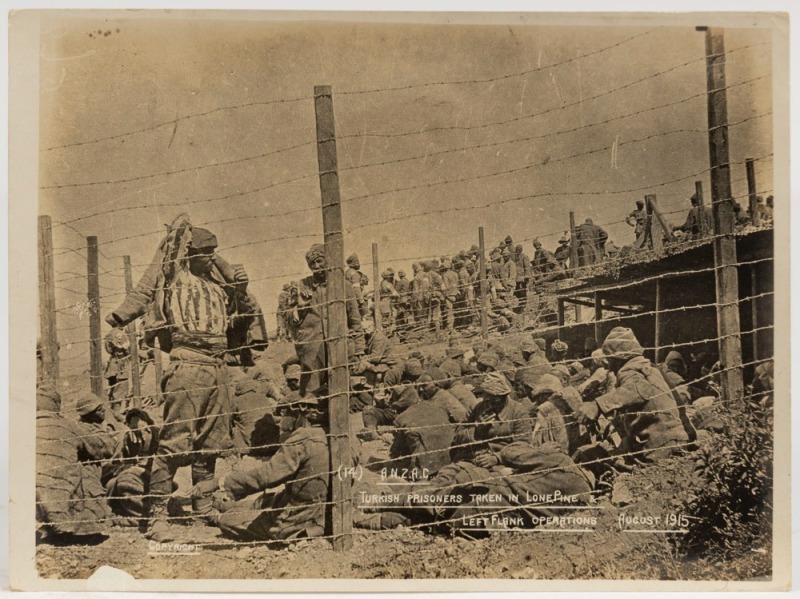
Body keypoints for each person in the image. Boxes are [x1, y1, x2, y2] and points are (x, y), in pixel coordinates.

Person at [104, 215, 268, 541]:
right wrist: (118, 319)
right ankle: (157, 518)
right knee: (175, 442)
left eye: (214, 252)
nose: (211, 257)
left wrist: (242, 290)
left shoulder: (218, 287)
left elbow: (242, 322)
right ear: (190, 254)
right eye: (205, 252)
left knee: (211, 443)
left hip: (219, 367)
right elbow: (148, 282)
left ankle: (202, 506)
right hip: (188, 365)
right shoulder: (176, 277)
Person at [196, 389, 344, 542]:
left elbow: (266, 476)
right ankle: (226, 505)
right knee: (266, 500)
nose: (281, 421)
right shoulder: (342, 436)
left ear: (304, 412)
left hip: (296, 520)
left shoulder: (304, 437)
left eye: (285, 414)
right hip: (326, 511)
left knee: (228, 520)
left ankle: (218, 514)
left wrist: (219, 483)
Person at [575, 327, 693, 462]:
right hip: (676, 439)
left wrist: (597, 405)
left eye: (609, 360)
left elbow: (638, 388)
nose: (608, 367)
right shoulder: (650, 368)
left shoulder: (629, 370)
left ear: (618, 358)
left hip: (659, 447)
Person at [286, 244, 365, 398]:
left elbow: (355, 319)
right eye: (312, 264)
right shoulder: (301, 286)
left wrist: (359, 349)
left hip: (340, 346)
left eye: (320, 261)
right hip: (312, 349)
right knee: (310, 393)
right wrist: (300, 307)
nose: (316, 266)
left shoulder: (344, 286)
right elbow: (288, 319)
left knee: (340, 392)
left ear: (328, 260)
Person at [36, 385, 113, 542]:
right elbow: (103, 448)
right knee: (84, 467)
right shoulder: (69, 426)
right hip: (62, 495)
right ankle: (80, 523)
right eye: (98, 409)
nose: (103, 411)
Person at [450, 372, 533, 465]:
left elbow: (523, 445)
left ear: (504, 397)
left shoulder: (518, 412)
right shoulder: (476, 407)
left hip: (501, 463)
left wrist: (497, 458)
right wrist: (476, 429)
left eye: (495, 401)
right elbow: (457, 438)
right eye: (487, 399)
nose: (489, 405)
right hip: (471, 457)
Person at [103, 327, 131, 421]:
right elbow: (128, 350)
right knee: (120, 390)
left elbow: (109, 350)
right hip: (121, 365)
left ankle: (113, 414)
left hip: (112, 364)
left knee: (113, 390)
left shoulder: (110, 333)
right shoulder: (120, 333)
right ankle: (117, 416)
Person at [378, 269, 399, 337]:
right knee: (390, 318)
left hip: (381, 302)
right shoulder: (388, 284)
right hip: (387, 302)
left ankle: (384, 334)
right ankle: (389, 334)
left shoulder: (381, 283)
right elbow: (395, 294)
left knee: (384, 320)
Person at [513, 244, 531, 311]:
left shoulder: (524, 256)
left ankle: (523, 305)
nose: (518, 250)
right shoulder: (516, 257)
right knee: (517, 292)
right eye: (517, 249)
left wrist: (526, 276)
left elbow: (527, 267)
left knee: (522, 291)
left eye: (519, 249)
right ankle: (520, 304)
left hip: (522, 277)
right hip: (517, 278)